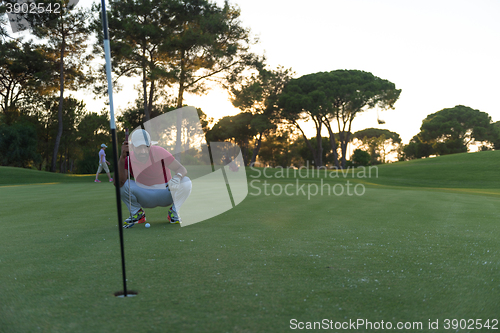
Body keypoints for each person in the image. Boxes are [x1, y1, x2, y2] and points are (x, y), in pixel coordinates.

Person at [116, 129, 192, 228]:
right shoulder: (128, 158)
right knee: (121, 186)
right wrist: (122, 158)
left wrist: (177, 177)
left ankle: (174, 212)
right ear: (132, 146)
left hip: (166, 192)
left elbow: (181, 169)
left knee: (186, 181)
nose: (143, 151)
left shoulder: (159, 151)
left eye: (146, 147)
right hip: (144, 195)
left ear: (150, 145)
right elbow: (119, 182)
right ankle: (137, 214)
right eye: (139, 147)